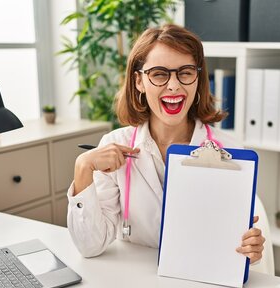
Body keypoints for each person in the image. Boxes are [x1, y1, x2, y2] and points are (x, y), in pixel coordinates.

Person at [67, 24, 269, 269]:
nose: (173, 86)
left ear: (198, 78)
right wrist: (83, 166)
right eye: (159, 74)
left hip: (200, 282)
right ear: (139, 81)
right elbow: (90, 246)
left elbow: (233, 248)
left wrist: (250, 250)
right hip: (137, 285)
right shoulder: (114, 145)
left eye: (185, 72)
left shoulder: (230, 151)